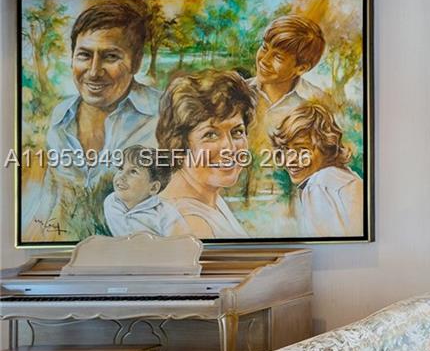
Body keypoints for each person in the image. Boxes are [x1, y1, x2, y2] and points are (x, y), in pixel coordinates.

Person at [28, 0, 162, 238]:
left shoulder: (164, 114)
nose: (93, 71)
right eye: (84, 55)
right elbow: (48, 202)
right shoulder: (61, 117)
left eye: (110, 56)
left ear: (136, 61)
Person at [157, 69, 254, 239]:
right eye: (211, 135)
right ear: (179, 143)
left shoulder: (206, 197)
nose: (230, 148)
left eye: (237, 132)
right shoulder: (190, 222)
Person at [270, 102, 364, 237]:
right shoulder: (348, 178)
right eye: (285, 150)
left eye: (301, 150)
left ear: (326, 148)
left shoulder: (317, 185)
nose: (289, 160)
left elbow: (328, 244)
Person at [248, 14, 326, 136]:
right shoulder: (237, 91)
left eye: (278, 57)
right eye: (264, 48)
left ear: (301, 68)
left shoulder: (318, 104)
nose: (264, 60)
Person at [103, 147, 183, 236]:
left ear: (153, 188)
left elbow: (183, 240)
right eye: (121, 168)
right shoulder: (110, 202)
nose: (122, 176)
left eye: (133, 172)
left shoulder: (167, 215)